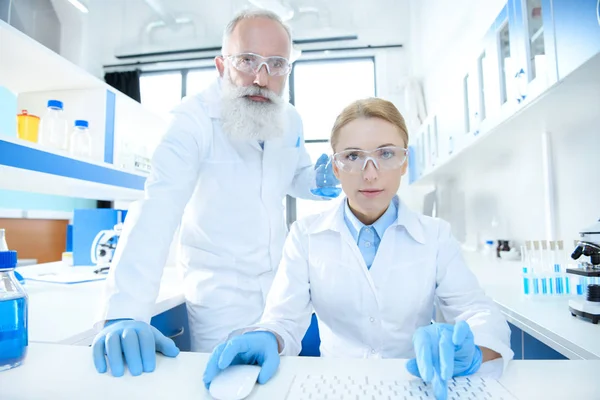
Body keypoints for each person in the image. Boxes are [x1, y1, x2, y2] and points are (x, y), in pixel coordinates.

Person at [202, 98, 513, 400]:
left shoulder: (435, 236)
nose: (370, 173)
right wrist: (267, 335)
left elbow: (478, 310)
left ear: (404, 162)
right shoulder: (305, 236)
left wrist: (473, 348)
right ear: (335, 167)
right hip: (336, 388)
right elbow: (282, 319)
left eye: (387, 154)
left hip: (415, 384)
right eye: (352, 156)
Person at [91, 9, 339, 377]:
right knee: (230, 383)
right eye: (247, 61)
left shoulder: (289, 119)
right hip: (220, 296)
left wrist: (317, 184)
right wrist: (125, 310)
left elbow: (295, 175)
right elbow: (158, 209)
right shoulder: (190, 122)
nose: (261, 77)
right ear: (222, 66)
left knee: (285, 382)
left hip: (282, 292)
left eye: (276, 64)